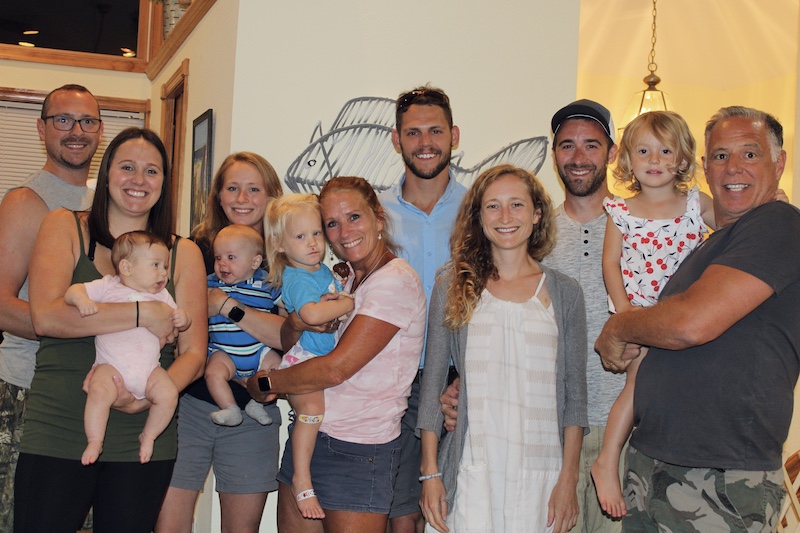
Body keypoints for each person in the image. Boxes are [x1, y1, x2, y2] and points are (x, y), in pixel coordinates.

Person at [595, 106, 800, 531]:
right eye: (721, 156)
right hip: (653, 462)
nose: (733, 167)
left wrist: (618, 326)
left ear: (779, 163)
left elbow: (690, 324)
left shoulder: (776, 224)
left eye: (750, 154)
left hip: (720, 477)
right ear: (706, 168)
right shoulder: (712, 243)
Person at [439, 99, 625, 532]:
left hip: (623, 427)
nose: (578, 157)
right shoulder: (533, 239)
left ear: (613, 153)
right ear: (554, 153)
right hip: (550, 432)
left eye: (592, 145)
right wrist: (460, 383)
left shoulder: (640, 229)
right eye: (566, 145)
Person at [15, 128, 207, 533]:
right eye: (127, 167)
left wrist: (149, 398)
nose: (139, 179)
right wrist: (142, 313)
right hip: (60, 426)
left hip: (144, 436)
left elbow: (193, 352)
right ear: (105, 175)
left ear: (164, 183)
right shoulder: (64, 226)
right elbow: (46, 317)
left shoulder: (183, 253)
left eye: (152, 171)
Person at [248, 176, 426, 533]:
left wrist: (267, 382)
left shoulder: (394, 281)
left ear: (378, 218)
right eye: (331, 223)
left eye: (354, 217)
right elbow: (295, 340)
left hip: (358, 451)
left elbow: (335, 370)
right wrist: (296, 322)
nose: (344, 232)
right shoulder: (341, 279)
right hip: (311, 436)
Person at [417, 164, 587, 533]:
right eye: (493, 206)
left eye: (517, 205)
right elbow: (432, 387)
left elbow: (575, 397)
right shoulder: (452, 286)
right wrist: (430, 473)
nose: (505, 217)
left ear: (537, 213)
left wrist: (568, 480)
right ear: (478, 217)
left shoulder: (565, 293)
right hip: (472, 472)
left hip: (543, 478)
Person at [155, 152, 286, 533]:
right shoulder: (193, 251)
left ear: (271, 196)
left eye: (254, 189)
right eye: (232, 188)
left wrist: (226, 305)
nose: (242, 198)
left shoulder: (285, 260)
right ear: (217, 195)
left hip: (255, 409)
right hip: (188, 406)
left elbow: (286, 336)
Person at [590, 111, 713, 516]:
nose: (654, 160)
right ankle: (607, 458)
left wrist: (770, 203)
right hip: (641, 315)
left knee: (685, 385)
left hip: (689, 315)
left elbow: (737, 223)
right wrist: (625, 314)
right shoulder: (620, 211)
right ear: (627, 160)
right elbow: (610, 264)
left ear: (683, 159)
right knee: (638, 382)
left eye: (665, 151)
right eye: (643, 152)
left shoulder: (695, 204)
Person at [0, 84, 100, 532]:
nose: (76, 131)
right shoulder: (26, 201)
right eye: (63, 120)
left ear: (100, 130)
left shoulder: (107, 204)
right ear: (42, 129)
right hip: (29, 394)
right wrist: (82, 328)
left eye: (87, 121)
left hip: (93, 394)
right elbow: (1, 304)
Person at [379, 84, 465, 533]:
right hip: (392, 379)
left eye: (435, 131)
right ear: (397, 140)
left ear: (454, 135)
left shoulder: (482, 209)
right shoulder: (373, 214)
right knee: (398, 511)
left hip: (460, 382)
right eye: (413, 133)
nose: (425, 143)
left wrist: (467, 378)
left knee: (460, 507)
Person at [263, 193, 355, 519]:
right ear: (279, 245)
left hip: (322, 357)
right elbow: (311, 315)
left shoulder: (321, 270)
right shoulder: (297, 277)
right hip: (304, 359)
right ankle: (301, 481)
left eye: (316, 233)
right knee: (312, 411)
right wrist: (347, 302)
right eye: (300, 236)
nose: (313, 242)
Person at [65, 231, 191, 465]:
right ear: (126, 267)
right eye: (155, 265)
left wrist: (183, 318)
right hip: (110, 367)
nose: (163, 272)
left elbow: (178, 319)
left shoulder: (162, 295)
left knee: (169, 394)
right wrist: (82, 300)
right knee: (98, 391)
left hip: (149, 371)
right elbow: (73, 291)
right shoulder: (109, 286)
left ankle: (149, 436)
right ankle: (95, 440)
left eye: (165, 266)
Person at [205, 224, 281, 427]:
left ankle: (257, 403)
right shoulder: (210, 283)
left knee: (281, 369)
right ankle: (230, 408)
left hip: (259, 352)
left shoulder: (267, 283)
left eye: (231, 257)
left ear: (255, 261)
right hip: (223, 353)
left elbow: (289, 308)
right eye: (218, 257)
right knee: (213, 373)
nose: (222, 263)